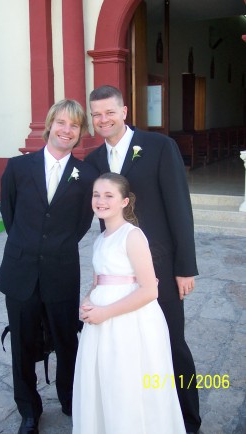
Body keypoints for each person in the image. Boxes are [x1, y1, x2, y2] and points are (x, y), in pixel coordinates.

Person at [85, 85, 201, 434]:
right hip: (119, 272)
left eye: (109, 112)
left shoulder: (159, 147)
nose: (103, 119)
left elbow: (180, 208)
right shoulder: (93, 161)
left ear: (123, 112)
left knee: (171, 344)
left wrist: (185, 268)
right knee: (128, 347)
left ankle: (188, 419)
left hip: (161, 266)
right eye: (97, 114)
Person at [0, 99, 98, 434]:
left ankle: (70, 400)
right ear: (50, 124)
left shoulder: (88, 176)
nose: (66, 130)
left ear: (80, 133)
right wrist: (30, 246)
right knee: (22, 344)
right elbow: (10, 216)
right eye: (61, 122)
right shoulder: (17, 168)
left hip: (61, 271)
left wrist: (54, 247)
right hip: (21, 271)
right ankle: (28, 410)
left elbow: (82, 222)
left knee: (67, 341)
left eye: (74, 125)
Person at [72, 172, 186, 434]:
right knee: (105, 381)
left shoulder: (132, 236)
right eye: (96, 195)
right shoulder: (100, 239)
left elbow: (149, 290)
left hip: (129, 322)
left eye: (109, 195)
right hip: (100, 324)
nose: (100, 201)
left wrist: (105, 312)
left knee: (126, 384)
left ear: (125, 201)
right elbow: (99, 281)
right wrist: (88, 302)